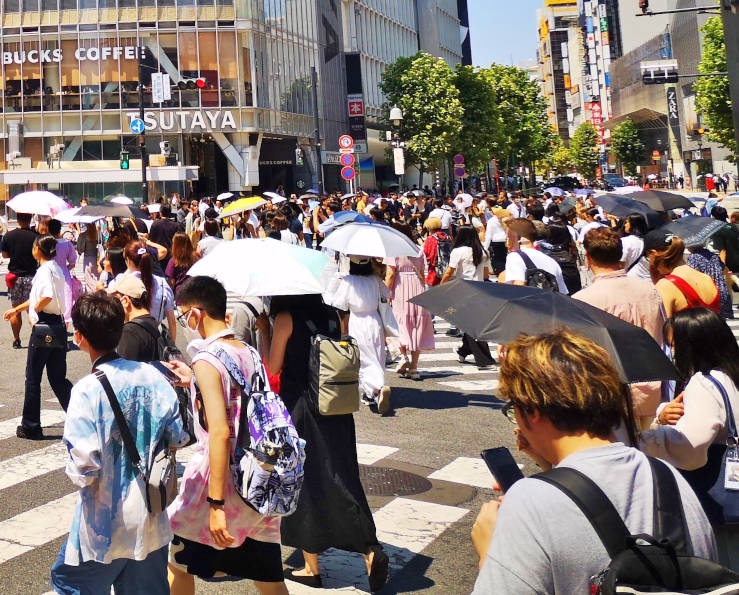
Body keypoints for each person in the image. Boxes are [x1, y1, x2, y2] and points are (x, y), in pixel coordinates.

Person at [470, 329, 717, 594]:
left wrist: (488, 553)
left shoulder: (530, 500)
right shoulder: (669, 477)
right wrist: (549, 468)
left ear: (532, 410)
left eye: (513, 409)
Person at [50, 292, 187, 594]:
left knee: (68, 583)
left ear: (80, 336)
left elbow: (85, 467)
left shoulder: (87, 390)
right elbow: (178, 436)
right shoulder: (155, 377)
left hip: (103, 522)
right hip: (152, 517)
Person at [257, 294, 389, 591]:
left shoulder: (285, 318)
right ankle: (370, 550)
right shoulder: (332, 315)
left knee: (304, 482)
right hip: (335, 410)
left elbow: (274, 367)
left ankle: (310, 566)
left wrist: (264, 331)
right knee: (343, 478)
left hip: (302, 408)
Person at [166, 277, 288, 595]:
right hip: (260, 475)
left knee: (177, 563)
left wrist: (216, 505)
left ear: (196, 313)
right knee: (268, 575)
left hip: (217, 479)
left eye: (184, 315)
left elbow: (220, 432)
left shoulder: (207, 359)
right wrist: (193, 380)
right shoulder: (246, 351)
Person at [640, 308, 739, 570]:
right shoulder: (731, 374)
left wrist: (648, 438)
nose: (672, 353)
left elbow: (690, 447)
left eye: (675, 346)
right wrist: (664, 413)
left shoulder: (704, 382)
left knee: (727, 567)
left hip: (722, 501)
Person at [572, 228, 665, 429]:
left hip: (607, 394)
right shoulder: (650, 290)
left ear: (588, 257)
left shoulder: (583, 300)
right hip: (651, 388)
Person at [4, 235, 72, 439]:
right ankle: (82, 416)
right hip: (58, 325)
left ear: (37, 250)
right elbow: (41, 297)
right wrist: (17, 309)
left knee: (33, 377)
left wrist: (34, 312)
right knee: (57, 378)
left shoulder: (43, 271)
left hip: (44, 325)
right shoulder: (57, 268)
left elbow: (46, 297)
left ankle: (31, 426)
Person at [326, 257, 392, 414]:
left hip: (357, 322)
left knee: (363, 359)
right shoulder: (375, 279)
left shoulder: (349, 281)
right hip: (375, 321)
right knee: (377, 356)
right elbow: (387, 293)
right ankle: (373, 392)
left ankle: (376, 388)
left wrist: (336, 282)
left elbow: (337, 303)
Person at [439, 226, 495, 369]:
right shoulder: (483, 251)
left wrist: (440, 286)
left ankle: (484, 360)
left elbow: (449, 272)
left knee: (471, 325)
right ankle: (465, 351)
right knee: (473, 323)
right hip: (480, 290)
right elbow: (487, 274)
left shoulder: (458, 251)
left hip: (463, 290)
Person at [385, 224, 434, 380]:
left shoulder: (393, 250)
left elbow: (391, 275)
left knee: (399, 323)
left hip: (400, 287)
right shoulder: (418, 249)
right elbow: (422, 272)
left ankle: (403, 357)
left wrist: (386, 294)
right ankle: (414, 368)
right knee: (416, 325)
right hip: (417, 287)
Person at [644, 229, 719, 318]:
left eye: (648, 257)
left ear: (653, 253)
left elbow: (662, 327)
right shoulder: (707, 278)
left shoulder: (665, 286)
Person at [123, 239, 176, 339]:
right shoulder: (162, 283)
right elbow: (172, 322)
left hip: (129, 339)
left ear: (128, 261)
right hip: (155, 339)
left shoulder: (121, 284)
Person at [501, 218, 568, 293]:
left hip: (526, 304)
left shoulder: (514, 257)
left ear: (519, 238)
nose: (506, 242)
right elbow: (563, 293)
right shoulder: (552, 261)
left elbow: (518, 287)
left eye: (509, 236)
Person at [2, 212, 38, 348]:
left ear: (17, 219)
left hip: (15, 277)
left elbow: (5, 255)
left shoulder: (9, 235)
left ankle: (16, 339)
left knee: (15, 309)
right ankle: (37, 337)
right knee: (33, 308)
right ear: (30, 219)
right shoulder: (35, 236)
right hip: (31, 276)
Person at [108, 275, 160, 362]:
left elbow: (125, 371)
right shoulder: (159, 325)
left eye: (115, 299)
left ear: (125, 301)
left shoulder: (129, 332)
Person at [687, 242, 733, 319]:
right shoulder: (714, 256)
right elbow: (722, 267)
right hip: (721, 291)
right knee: (721, 323)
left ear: (690, 247)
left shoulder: (693, 257)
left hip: (707, 293)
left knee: (707, 323)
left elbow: (691, 274)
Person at [47, 218, 77, 323]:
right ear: (60, 229)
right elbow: (73, 262)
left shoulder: (47, 244)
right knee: (66, 301)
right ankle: (64, 328)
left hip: (49, 273)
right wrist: (65, 268)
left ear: (48, 229)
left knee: (50, 299)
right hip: (64, 273)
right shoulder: (67, 244)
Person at [148, 204, 179, 269]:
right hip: (171, 255)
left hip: (159, 255)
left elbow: (151, 241)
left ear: (160, 213)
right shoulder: (175, 225)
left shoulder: (155, 224)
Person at [483, 207, 508, 275]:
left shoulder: (491, 221)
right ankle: (503, 272)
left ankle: (499, 272)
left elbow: (489, 234)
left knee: (496, 258)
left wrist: (485, 247)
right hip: (505, 241)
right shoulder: (505, 219)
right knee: (504, 257)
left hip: (496, 241)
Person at [77, 223, 100, 293]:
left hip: (88, 259)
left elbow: (81, 249)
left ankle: (91, 295)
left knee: (88, 279)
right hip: (97, 258)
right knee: (96, 278)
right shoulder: (98, 234)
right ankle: (97, 292)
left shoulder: (84, 235)